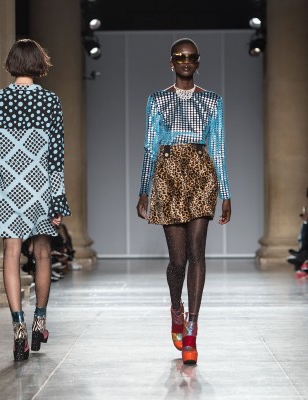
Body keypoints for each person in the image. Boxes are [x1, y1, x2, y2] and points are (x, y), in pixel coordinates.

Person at [0, 39, 71, 361]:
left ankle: (18, 329)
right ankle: (39, 320)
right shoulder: (50, 101)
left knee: (11, 252)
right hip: (39, 186)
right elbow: (56, 157)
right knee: (41, 252)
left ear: (10, 63)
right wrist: (58, 200)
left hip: (8, 187)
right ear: (40, 64)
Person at [136, 38, 231, 365]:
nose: (186, 62)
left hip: (202, 174)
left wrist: (227, 192)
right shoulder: (157, 100)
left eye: (191, 57)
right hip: (168, 175)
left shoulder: (213, 101)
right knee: (177, 260)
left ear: (198, 62)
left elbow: (217, 148)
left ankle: (192, 329)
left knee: (197, 252)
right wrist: (144, 189)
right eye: (180, 57)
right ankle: (176, 308)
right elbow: (150, 146)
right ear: (171, 62)